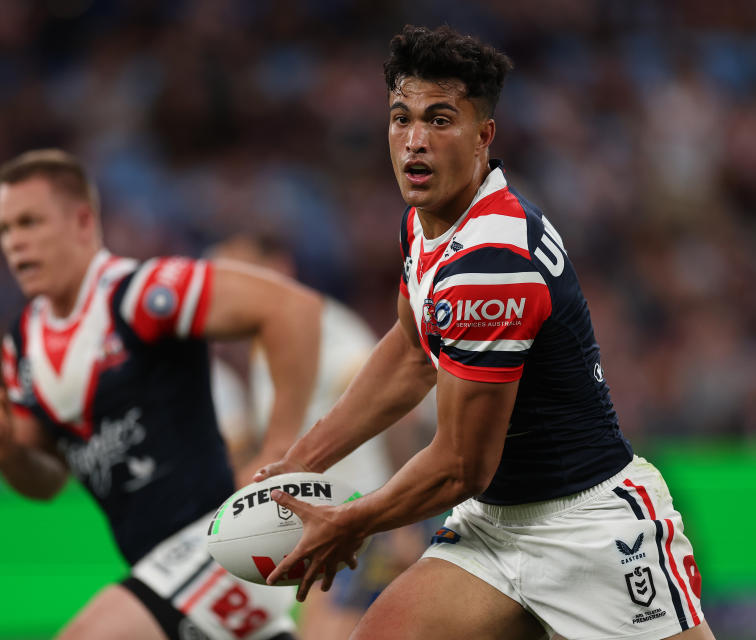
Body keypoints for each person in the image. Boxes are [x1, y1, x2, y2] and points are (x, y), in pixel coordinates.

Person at [253, 25, 715, 640]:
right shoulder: (428, 222)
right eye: (401, 118)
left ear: (483, 136)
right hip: (494, 527)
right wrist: (297, 463)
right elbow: (411, 352)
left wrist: (353, 521)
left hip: (590, 529)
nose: (414, 142)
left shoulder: (491, 265)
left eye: (440, 120)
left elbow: (460, 465)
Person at [0, 149, 322, 640]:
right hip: (161, 570)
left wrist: (281, 451)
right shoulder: (21, 346)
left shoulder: (139, 293)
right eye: (4, 229)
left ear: (83, 221)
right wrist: (6, 456)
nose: (14, 243)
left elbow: (293, 309)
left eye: (29, 222)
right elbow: (45, 482)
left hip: (220, 542)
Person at [210, 233, 427, 639]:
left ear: (280, 269)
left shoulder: (325, 332)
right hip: (326, 522)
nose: (230, 292)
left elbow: (400, 412)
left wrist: (404, 522)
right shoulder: (266, 344)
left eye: (241, 274)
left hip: (362, 518)